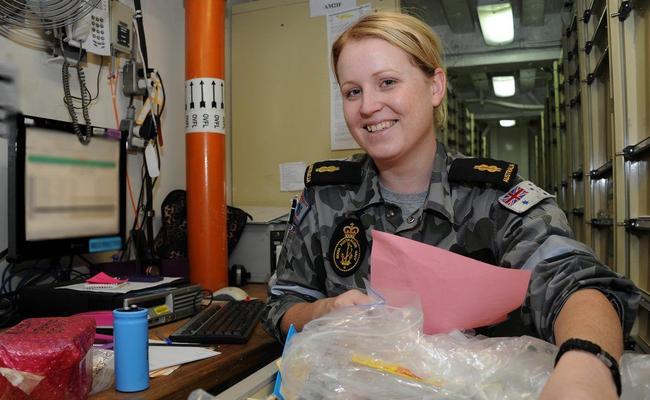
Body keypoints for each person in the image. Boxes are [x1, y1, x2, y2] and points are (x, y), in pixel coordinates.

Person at [262, 11, 640, 399]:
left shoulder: (492, 197)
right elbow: (283, 303)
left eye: (387, 82)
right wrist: (326, 314)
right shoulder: (326, 198)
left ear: (435, 87)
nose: (368, 106)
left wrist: (586, 369)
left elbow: (577, 283)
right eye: (352, 91)